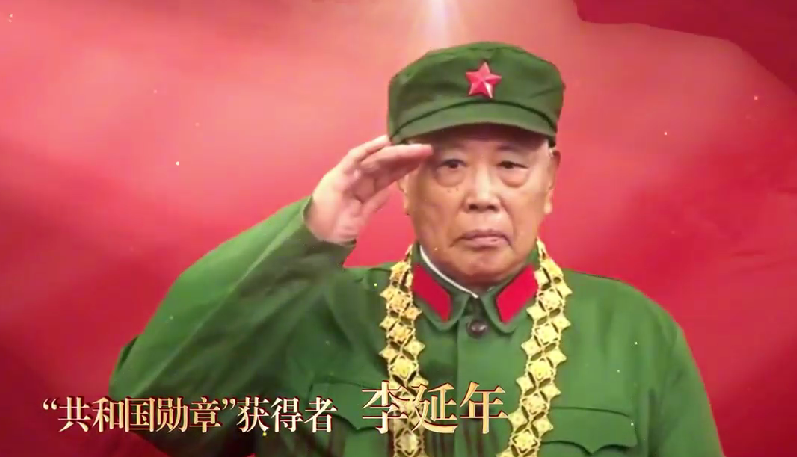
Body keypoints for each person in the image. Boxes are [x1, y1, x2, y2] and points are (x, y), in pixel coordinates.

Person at [109, 41, 724, 457]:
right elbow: (152, 411)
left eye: (511, 165)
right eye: (450, 165)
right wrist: (310, 234)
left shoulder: (634, 331)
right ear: (404, 181)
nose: (482, 196)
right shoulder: (308, 313)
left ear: (550, 181)